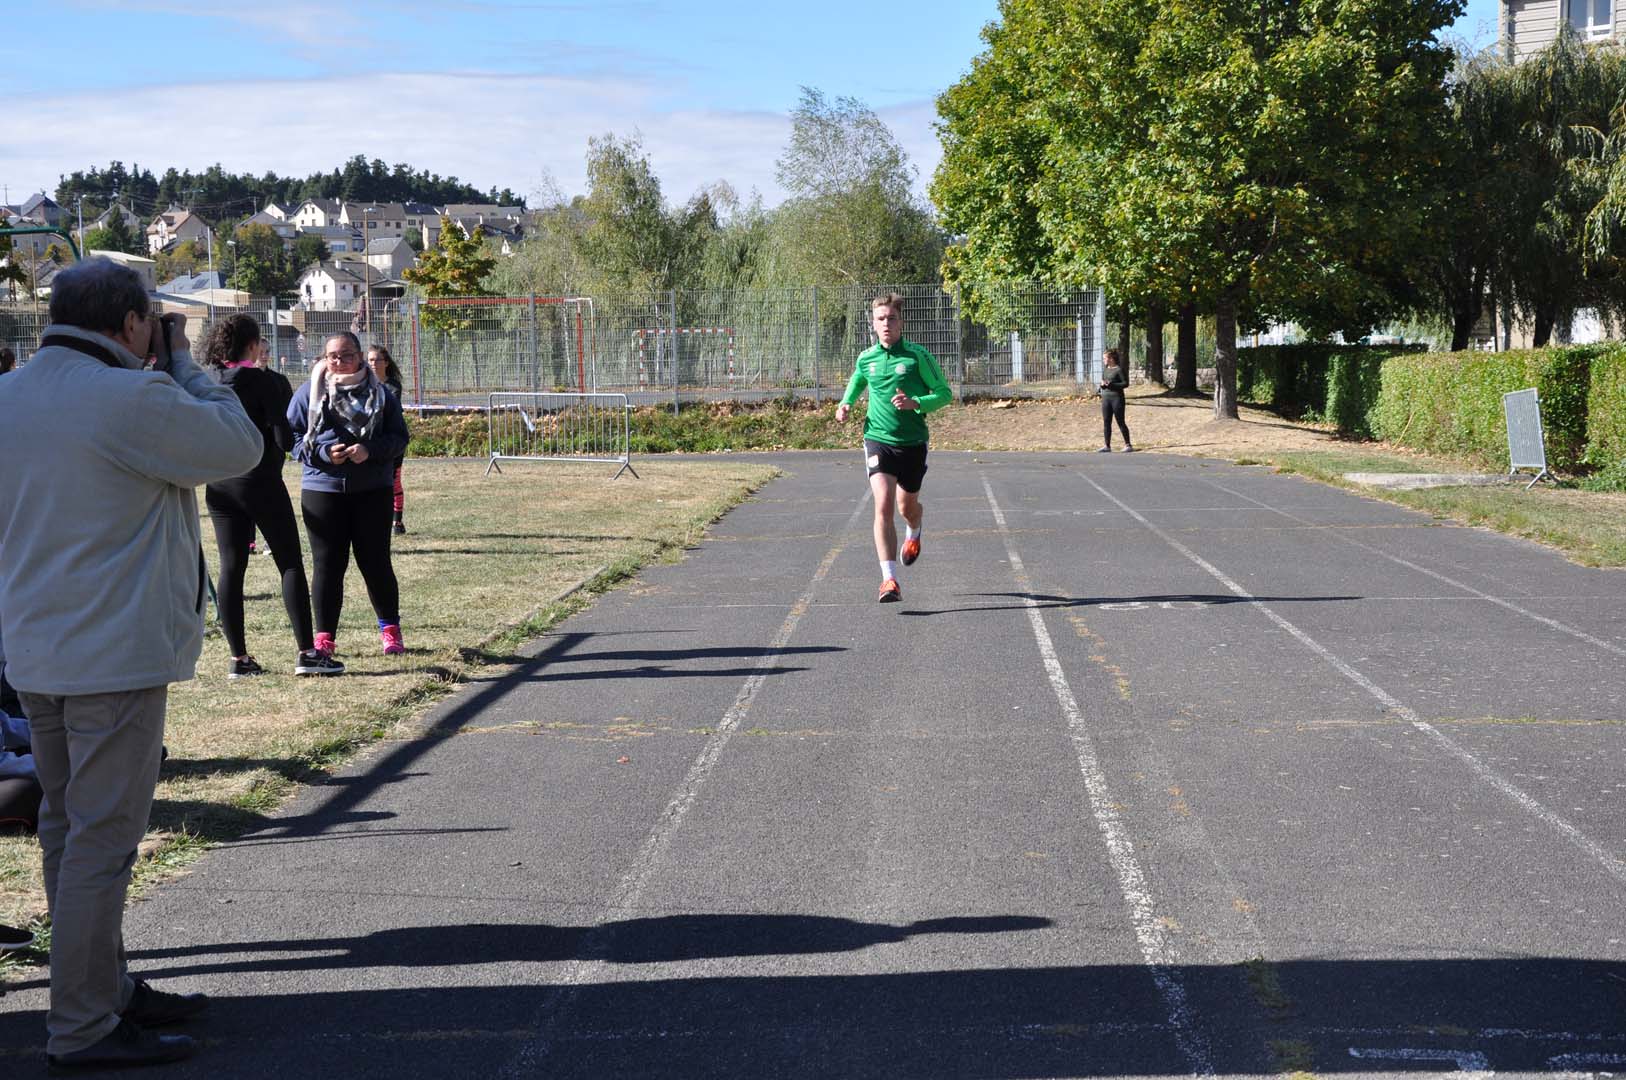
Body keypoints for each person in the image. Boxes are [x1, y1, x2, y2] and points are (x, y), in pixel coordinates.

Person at [0, 257, 262, 1069]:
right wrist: (186, 364)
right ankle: (82, 1023)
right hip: (110, 655)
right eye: (153, 320)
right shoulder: (129, 396)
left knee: (66, 829)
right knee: (101, 843)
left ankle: (102, 988)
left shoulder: (10, 396)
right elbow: (239, 445)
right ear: (131, 324)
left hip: (36, 649)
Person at [201, 315, 344, 678]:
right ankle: (307, 652)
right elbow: (283, 439)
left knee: (231, 567)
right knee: (290, 563)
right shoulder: (267, 382)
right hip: (261, 479)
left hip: (219, 483)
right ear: (252, 346)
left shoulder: (207, 379)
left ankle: (238, 658)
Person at [288, 332, 411, 658]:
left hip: (372, 490)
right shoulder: (308, 393)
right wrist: (326, 454)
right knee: (327, 566)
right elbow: (293, 440)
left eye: (345, 356)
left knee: (376, 563)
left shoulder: (383, 396)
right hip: (322, 490)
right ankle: (324, 639)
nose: (338, 363)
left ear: (359, 357)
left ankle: (390, 630)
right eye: (332, 356)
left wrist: (368, 450)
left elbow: (399, 438)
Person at [835, 293, 952, 603]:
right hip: (877, 438)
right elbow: (858, 381)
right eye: (881, 319)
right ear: (873, 324)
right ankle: (889, 580)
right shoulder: (866, 358)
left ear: (901, 322)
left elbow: (944, 394)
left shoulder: (917, 356)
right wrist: (845, 404)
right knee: (883, 505)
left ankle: (915, 530)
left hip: (913, 443)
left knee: (906, 508)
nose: (886, 323)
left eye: (892, 318)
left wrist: (917, 402)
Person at [366, 344, 409, 535]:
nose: (374, 364)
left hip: (390, 441)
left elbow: (383, 411)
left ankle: (397, 521)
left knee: (394, 481)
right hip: (369, 441)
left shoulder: (393, 387)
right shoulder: (363, 384)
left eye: (377, 360)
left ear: (386, 362)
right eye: (370, 360)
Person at [1097, 347, 1134, 452]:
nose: (1104, 360)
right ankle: (1107, 446)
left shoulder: (1119, 369)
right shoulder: (1106, 369)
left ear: (1111, 358)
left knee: (1120, 421)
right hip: (1106, 399)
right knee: (1106, 422)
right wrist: (1102, 385)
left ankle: (1128, 445)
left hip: (1117, 399)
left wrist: (1112, 384)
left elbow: (1125, 383)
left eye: (1105, 358)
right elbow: (1104, 382)